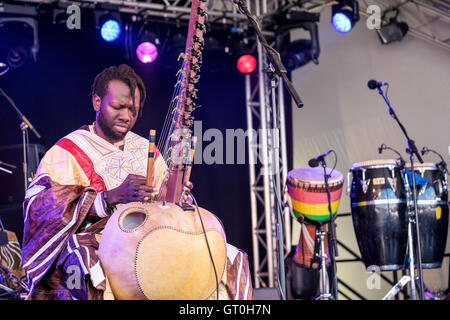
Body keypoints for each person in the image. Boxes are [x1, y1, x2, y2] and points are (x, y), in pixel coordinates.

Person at [22, 64, 253, 300]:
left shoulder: (145, 148)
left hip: (156, 239)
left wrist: (173, 196)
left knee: (229, 257)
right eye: (118, 107)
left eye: (133, 109)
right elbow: (40, 211)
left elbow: (167, 205)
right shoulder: (69, 151)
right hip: (101, 244)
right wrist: (108, 198)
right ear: (97, 102)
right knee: (82, 261)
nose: (126, 116)